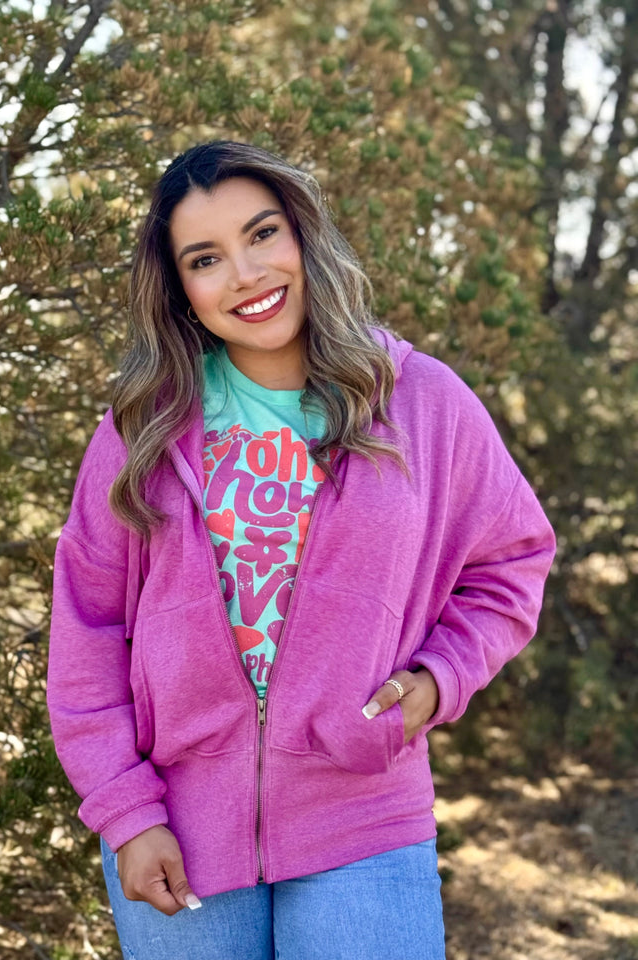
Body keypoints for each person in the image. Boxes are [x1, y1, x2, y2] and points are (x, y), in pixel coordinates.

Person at [47, 140, 555, 960]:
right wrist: (127, 812)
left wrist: (441, 678)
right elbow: (88, 628)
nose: (246, 275)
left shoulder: (421, 401)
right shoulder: (143, 428)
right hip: (176, 826)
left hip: (364, 815)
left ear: (301, 235)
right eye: (206, 259)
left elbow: (511, 562)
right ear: (179, 288)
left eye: (262, 234)